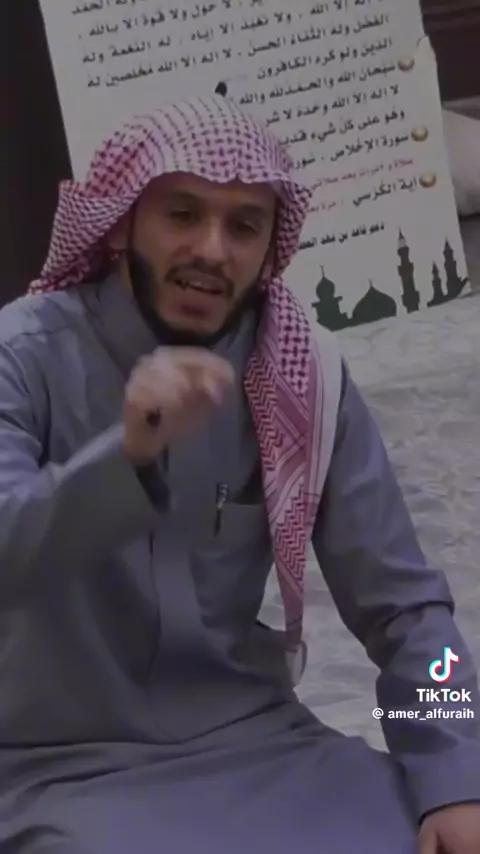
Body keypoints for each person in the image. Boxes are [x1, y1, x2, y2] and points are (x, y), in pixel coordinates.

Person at [0, 96, 479, 854]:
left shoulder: (303, 379)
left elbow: (408, 609)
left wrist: (456, 772)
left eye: (244, 226)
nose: (212, 249)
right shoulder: (22, 357)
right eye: (182, 215)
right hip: (60, 765)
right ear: (122, 226)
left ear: (268, 251)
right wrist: (126, 459)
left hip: (260, 738)